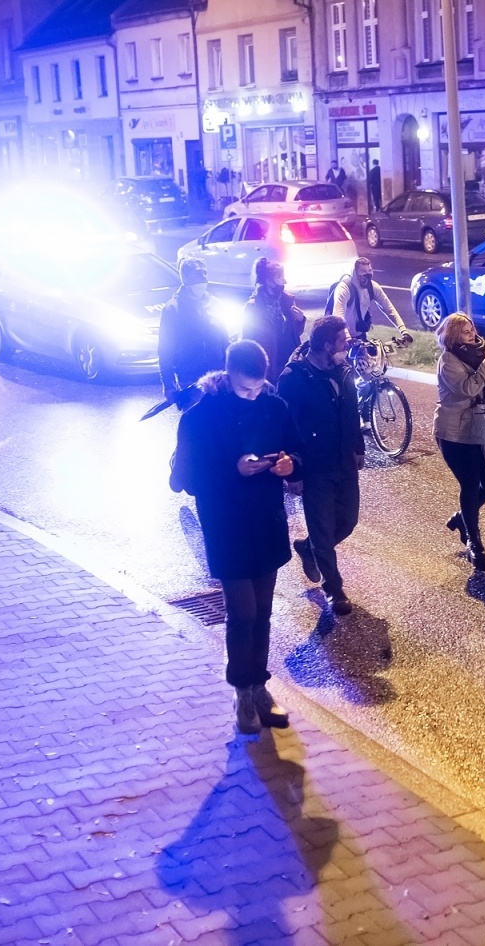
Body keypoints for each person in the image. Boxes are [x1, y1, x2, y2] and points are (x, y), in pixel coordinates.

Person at [171, 340, 302, 735]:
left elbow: (298, 452)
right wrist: (234, 470)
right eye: (245, 389)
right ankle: (241, 690)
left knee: (263, 611)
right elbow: (186, 481)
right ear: (228, 376)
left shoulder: (274, 406)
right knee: (242, 612)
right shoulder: (200, 417)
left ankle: (259, 686)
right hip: (226, 523)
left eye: (259, 387)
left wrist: (287, 464)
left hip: (266, 521)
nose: (253, 395)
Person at [277, 316, 362, 617]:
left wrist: (358, 448)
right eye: (342, 341)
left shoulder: (342, 370)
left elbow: (352, 412)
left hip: (344, 460)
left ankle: (308, 547)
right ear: (327, 345)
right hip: (313, 466)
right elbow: (284, 427)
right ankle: (334, 588)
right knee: (323, 529)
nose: (347, 344)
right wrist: (294, 473)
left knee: (348, 521)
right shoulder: (294, 378)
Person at [434, 312, 485, 571]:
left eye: (472, 329)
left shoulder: (479, 353)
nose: (472, 334)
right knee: (471, 484)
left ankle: (463, 519)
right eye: (465, 332)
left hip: (483, 426)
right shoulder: (448, 360)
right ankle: (474, 542)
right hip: (456, 433)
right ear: (453, 336)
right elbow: (468, 388)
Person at [157, 258, 229, 408]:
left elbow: (225, 341)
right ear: (186, 277)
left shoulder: (215, 304)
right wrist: (169, 385)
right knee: (195, 426)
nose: (203, 277)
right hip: (189, 378)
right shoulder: (173, 309)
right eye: (198, 273)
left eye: (205, 272)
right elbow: (165, 350)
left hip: (217, 376)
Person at [241, 257, 306, 385]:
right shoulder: (253, 307)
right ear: (268, 281)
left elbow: (295, 333)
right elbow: (248, 339)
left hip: (290, 361)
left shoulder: (287, 300)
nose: (284, 281)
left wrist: (300, 320)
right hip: (270, 365)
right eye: (280, 278)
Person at [331, 257, 410, 341]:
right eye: (363, 271)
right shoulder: (344, 288)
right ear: (355, 273)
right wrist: (347, 337)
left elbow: (389, 309)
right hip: (340, 337)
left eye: (370, 270)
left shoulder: (373, 287)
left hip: (360, 335)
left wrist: (404, 331)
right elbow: (338, 318)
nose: (368, 274)